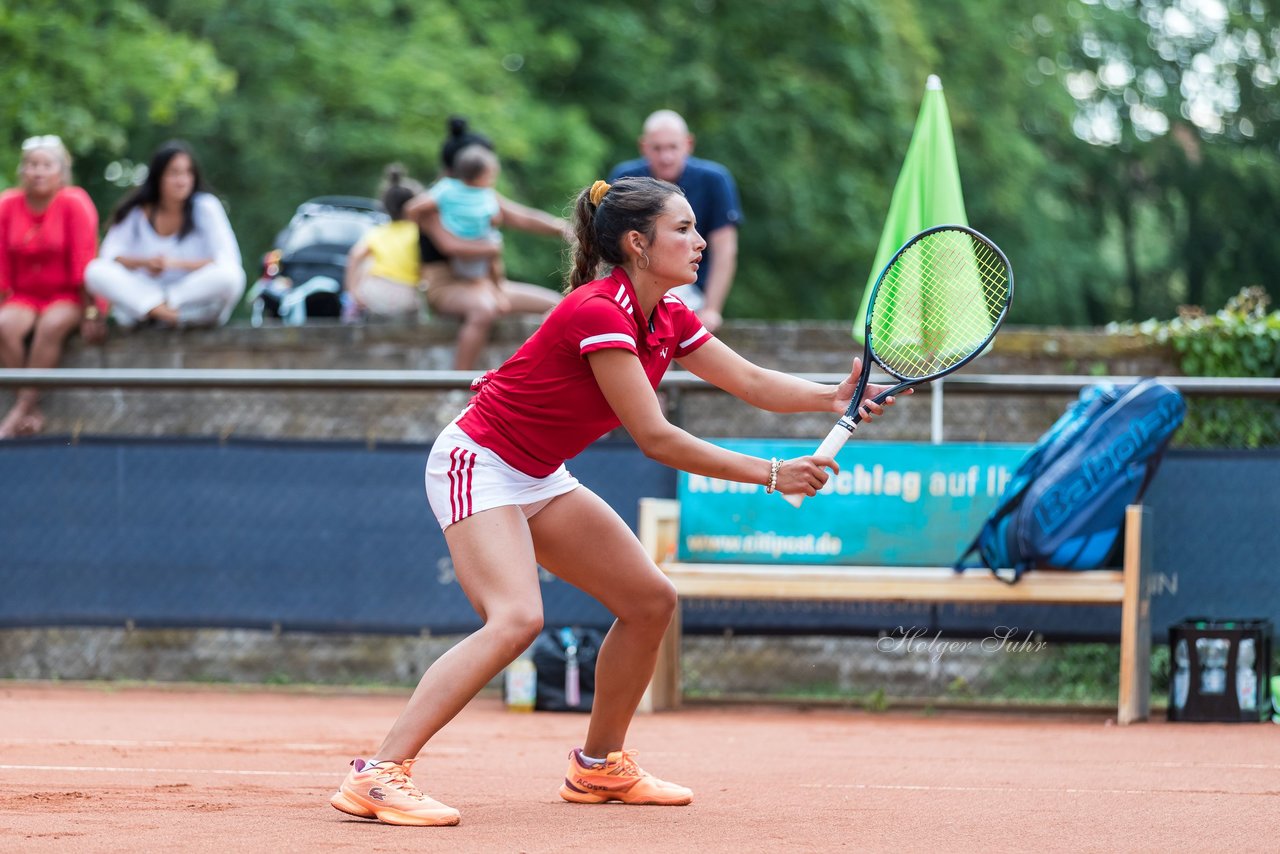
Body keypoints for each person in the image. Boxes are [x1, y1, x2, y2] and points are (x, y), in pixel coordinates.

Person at [329, 176, 904, 827]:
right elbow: (655, 437)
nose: (697, 242)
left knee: (649, 601)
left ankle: (599, 767)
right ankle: (378, 774)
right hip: (480, 462)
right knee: (516, 619)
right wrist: (773, 473)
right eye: (682, 230)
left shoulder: (668, 313)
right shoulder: (599, 310)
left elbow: (747, 379)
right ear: (637, 242)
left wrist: (830, 395)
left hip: (538, 473)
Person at [407, 117, 568, 371]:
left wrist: (565, 228)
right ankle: (456, 387)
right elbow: (451, 246)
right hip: (449, 284)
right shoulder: (437, 201)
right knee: (484, 309)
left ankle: (536, 375)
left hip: (489, 284)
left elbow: (522, 217)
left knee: (561, 305)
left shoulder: (480, 195)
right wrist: (491, 248)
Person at [0, 135, 104, 439]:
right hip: (24, 295)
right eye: (32, 165)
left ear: (61, 171)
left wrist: (92, 311)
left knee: (51, 327)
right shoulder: (7, 204)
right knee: (5, 327)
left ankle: (19, 412)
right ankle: (30, 408)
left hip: (67, 294)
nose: (38, 171)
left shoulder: (74, 202)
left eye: (46, 165)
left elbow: (85, 259)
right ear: (23, 171)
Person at [85, 140, 245, 329]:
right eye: (174, 173)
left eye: (187, 173)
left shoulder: (206, 207)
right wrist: (145, 263)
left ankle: (160, 309)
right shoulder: (136, 211)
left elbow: (227, 260)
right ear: (158, 176)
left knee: (232, 276)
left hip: (189, 297)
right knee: (95, 271)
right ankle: (166, 314)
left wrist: (173, 264)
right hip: (146, 289)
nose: (182, 180)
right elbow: (110, 256)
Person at [609, 110, 742, 333]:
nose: (666, 157)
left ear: (688, 144)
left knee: (665, 321)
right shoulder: (626, 178)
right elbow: (609, 243)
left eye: (672, 147)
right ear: (643, 146)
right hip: (637, 282)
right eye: (657, 148)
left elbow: (725, 249)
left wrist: (712, 308)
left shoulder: (714, 180)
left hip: (690, 286)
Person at [343, 164, 427, 320]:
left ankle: (352, 312)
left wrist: (353, 291)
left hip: (376, 294)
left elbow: (354, 256)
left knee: (367, 264)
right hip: (407, 295)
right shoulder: (418, 232)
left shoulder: (378, 232)